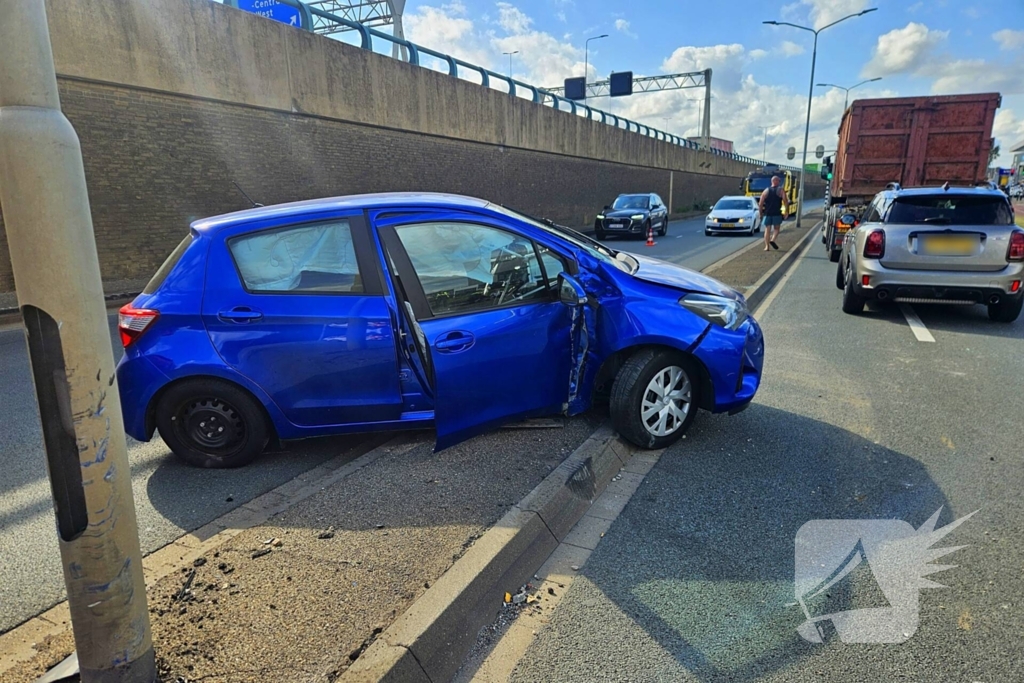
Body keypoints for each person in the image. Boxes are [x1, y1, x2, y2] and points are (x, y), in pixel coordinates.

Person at [759, 175, 789, 251]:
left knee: (767, 229)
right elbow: (785, 201)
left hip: (767, 213)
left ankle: (767, 247)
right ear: (776, 181)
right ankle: (773, 239)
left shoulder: (766, 190)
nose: (779, 182)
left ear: (771, 182)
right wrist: (786, 212)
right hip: (776, 212)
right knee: (776, 228)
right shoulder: (781, 190)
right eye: (778, 181)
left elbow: (761, 203)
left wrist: (760, 213)